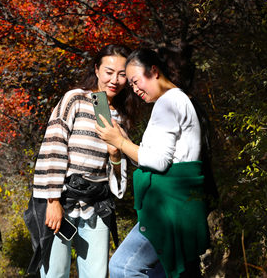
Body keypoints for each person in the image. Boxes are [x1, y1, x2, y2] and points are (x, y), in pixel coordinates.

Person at [95, 48, 215, 278]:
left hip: (167, 210)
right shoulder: (178, 99)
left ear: (154, 71)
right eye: (131, 85)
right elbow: (156, 158)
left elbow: (158, 163)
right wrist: (125, 142)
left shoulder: (168, 103)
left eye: (136, 81)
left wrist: (119, 141)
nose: (135, 89)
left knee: (123, 267)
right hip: (181, 208)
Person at [25, 44, 140, 278]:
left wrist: (116, 156)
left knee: (97, 274)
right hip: (63, 200)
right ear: (96, 70)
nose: (115, 80)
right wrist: (52, 200)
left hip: (97, 203)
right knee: (55, 272)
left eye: (121, 74)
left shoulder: (120, 115)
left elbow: (118, 172)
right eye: (109, 72)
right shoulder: (75, 99)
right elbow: (54, 146)